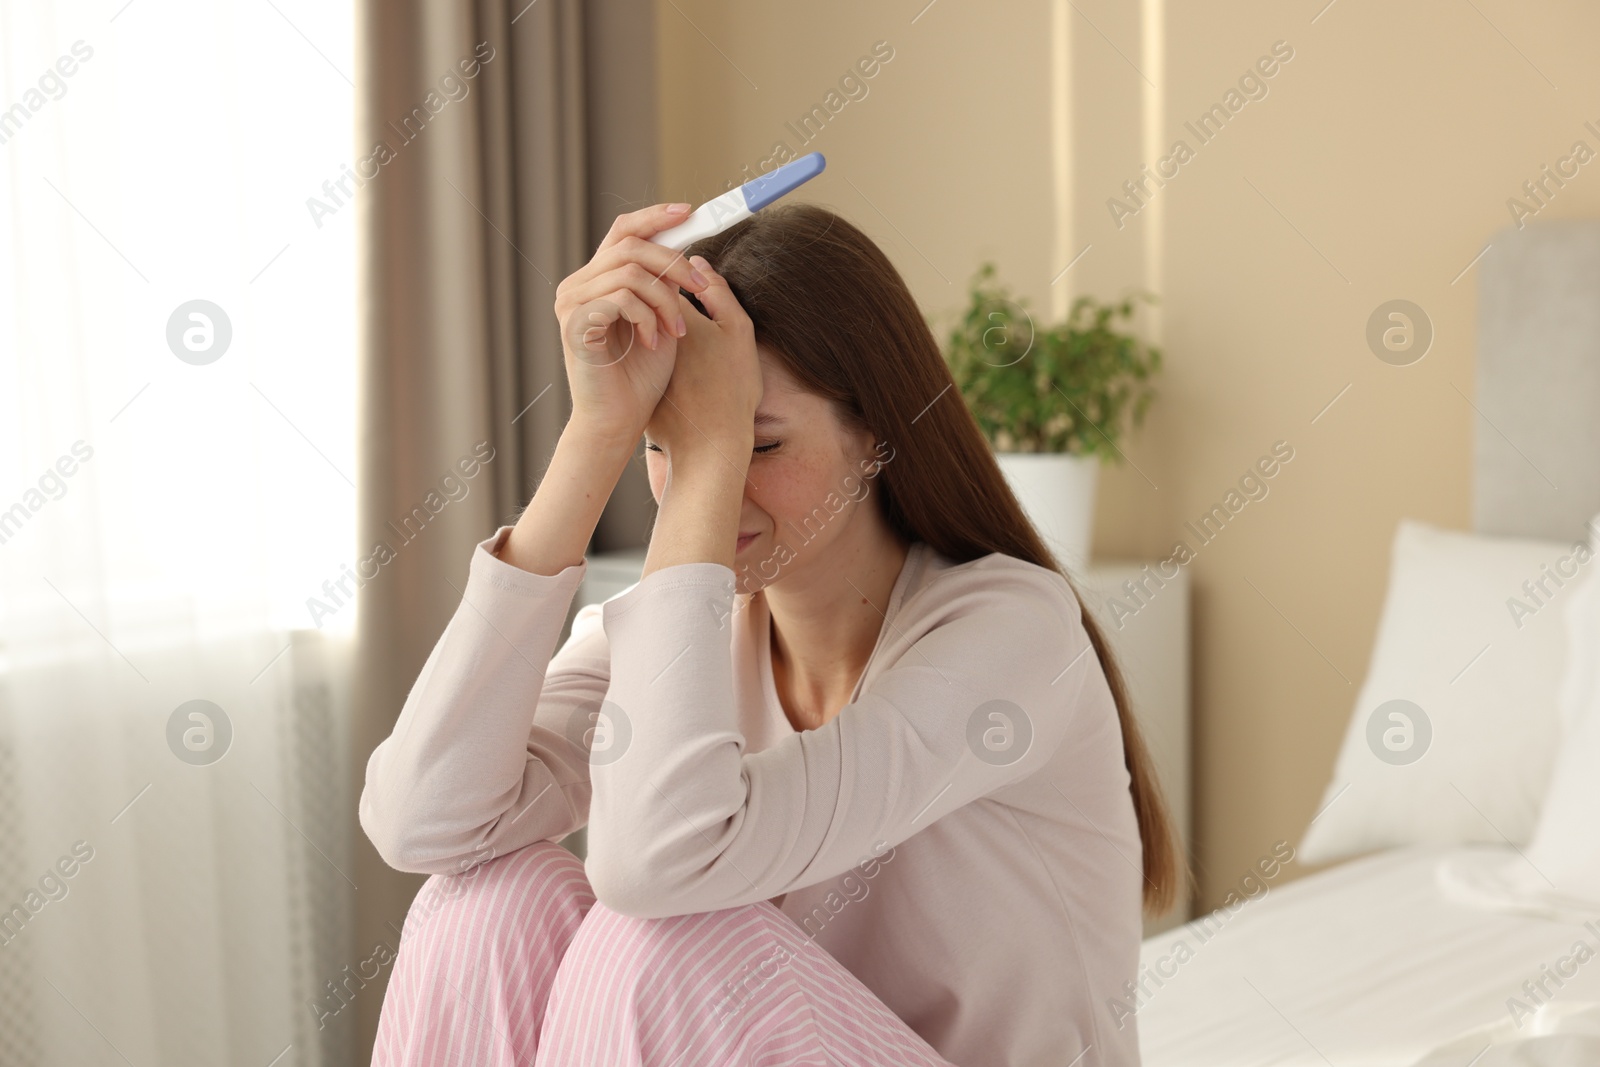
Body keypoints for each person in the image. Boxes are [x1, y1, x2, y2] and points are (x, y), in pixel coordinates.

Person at [358, 199, 1186, 1066]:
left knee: (658, 941)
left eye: (756, 443)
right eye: (663, 443)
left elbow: (654, 869)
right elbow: (426, 822)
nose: (699, 488)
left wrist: (705, 449)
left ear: (875, 434)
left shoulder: (1014, 632)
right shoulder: (692, 638)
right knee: (490, 898)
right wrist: (596, 429)